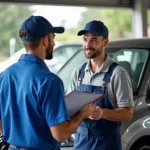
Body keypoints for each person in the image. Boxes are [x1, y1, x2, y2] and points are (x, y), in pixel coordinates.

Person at [0, 15, 94, 150]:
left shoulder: (4, 75)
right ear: (45, 40)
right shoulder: (50, 81)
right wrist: (83, 114)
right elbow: (60, 134)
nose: (54, 43)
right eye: (53, 38)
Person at [67, 20, 134, 150]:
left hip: (106, 143)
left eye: (93, 40)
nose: (87, 45)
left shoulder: (117, 73)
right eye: (85, 39)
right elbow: (70, 108)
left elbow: (128, 113)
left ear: (105, 42)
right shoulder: (78, 73)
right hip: (81, 142)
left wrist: (103, 113)